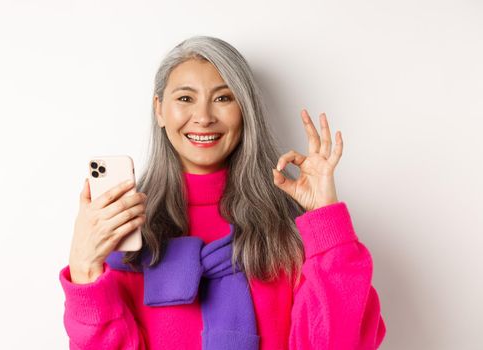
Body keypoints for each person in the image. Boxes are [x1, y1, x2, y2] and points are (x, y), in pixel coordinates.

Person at [59, 35, 386, 350]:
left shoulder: (291, 229)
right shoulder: (126, 229)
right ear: (159, 109)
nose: (203, 117)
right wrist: (85, 269)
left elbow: (343, 343)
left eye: (223, 97)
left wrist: (324, 219)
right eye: (185, 98)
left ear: (245, 109)